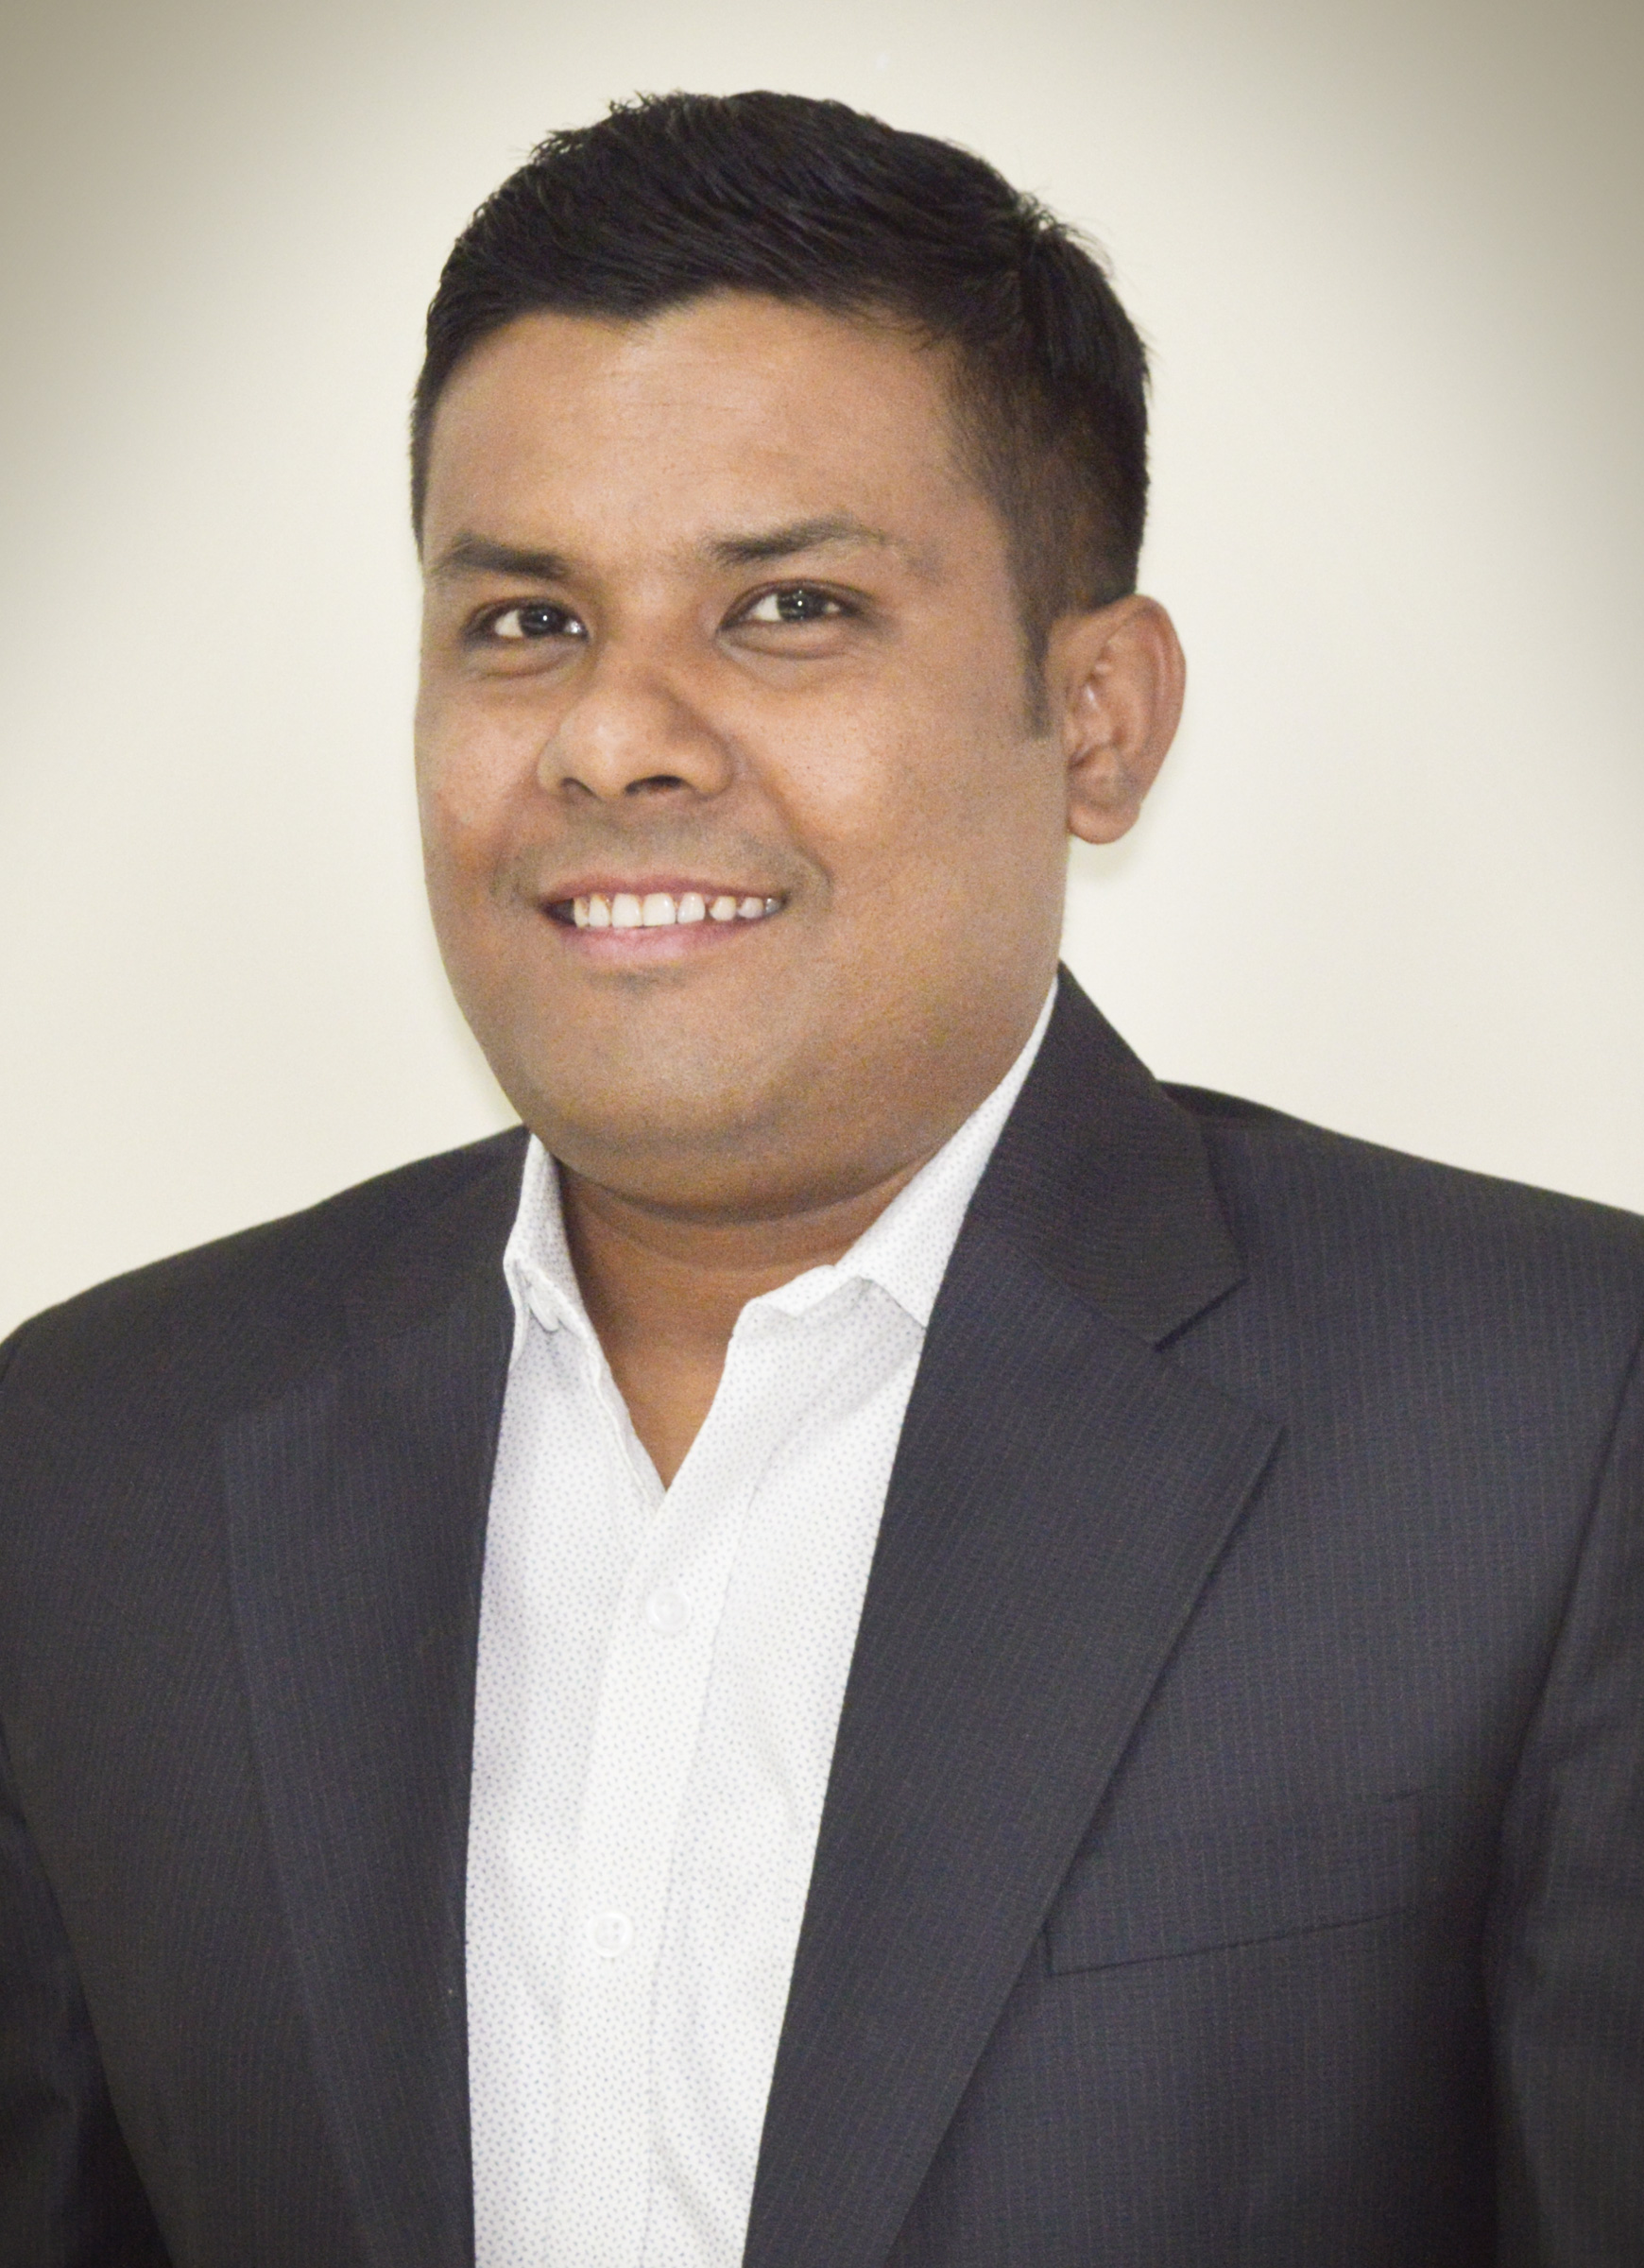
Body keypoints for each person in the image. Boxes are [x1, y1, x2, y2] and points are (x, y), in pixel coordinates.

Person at [0, 87, 1639, 2268]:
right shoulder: (92, 1464)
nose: (614, 738)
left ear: (1101, 716)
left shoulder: (1552, 1431)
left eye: (784, 606)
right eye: (525, 623)